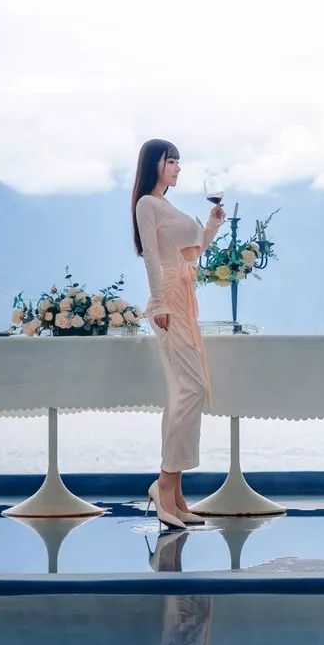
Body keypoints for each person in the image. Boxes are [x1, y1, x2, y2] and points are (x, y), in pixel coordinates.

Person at [132, 138, 225, 529]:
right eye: (171, 161)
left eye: (178, 162)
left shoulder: (169, 206)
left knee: (182, 394)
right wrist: (160, 303)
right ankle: (165, 482)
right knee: (193, 388)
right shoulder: (147, 204)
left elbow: (193, 251)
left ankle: (177, 495)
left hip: (184, 297)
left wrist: (212, 225)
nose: (177, 167)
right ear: (153, 163)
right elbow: (152, 257)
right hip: (169, 298)